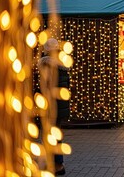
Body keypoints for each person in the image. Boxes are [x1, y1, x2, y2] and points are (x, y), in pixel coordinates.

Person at [38, 38, 70, 176]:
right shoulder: (62, 65)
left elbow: (46, 86)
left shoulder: (47, 65)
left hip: (51, 105)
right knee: (55, 134)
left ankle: (56, 164)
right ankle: (56, 163)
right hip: (60, 105)